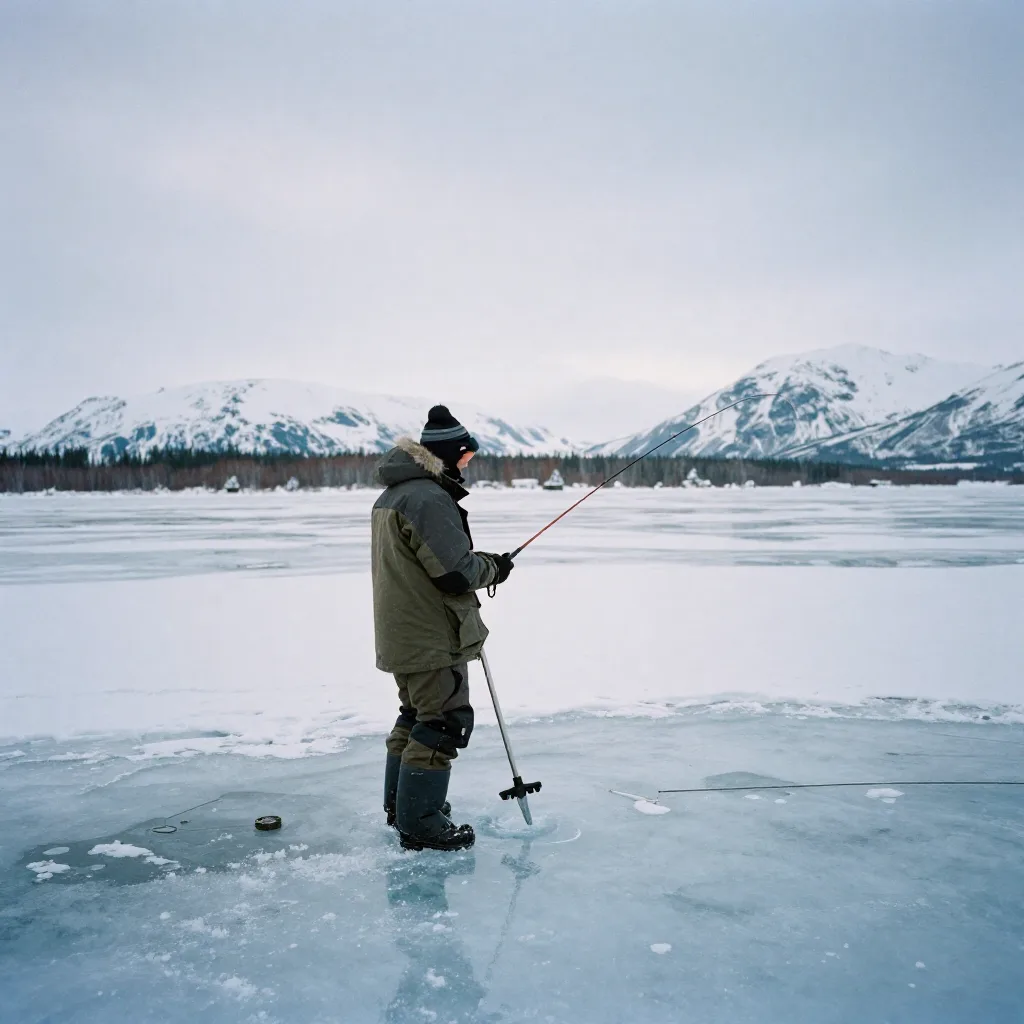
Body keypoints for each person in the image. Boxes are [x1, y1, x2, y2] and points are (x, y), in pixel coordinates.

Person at [371, 406, 514, 852]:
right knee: (442, 723)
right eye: (467, 455)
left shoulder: (397, 494)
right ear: (451, 454)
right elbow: (453, 573)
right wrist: (494, 568)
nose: (469, 462)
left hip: (406, 630)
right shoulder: (428, 498)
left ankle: (406, 809)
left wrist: (480, 564)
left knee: (416, 717)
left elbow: (432, 561)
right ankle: (421, 825)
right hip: (432, 635)